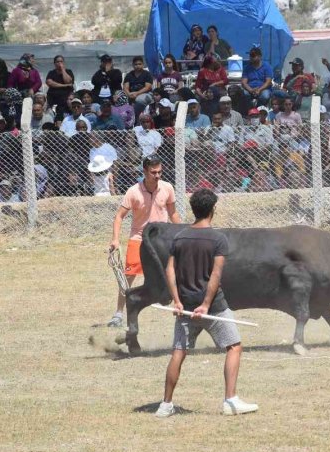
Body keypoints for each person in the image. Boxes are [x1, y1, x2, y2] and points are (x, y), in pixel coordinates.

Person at [156, 188, 258, 418]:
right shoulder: (218, 239)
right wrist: (205, 304)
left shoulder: (179, 237)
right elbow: (215, 275)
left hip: (186, 305)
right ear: (212, 210)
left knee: (178, 351)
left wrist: (178, 300)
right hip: (213, 306)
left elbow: (170, 269)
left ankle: (165, 404)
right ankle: (230, 401)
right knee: (234, 346)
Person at [108, 155, 182, 327]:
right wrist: (115, 240)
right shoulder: (133, 192)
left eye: (160, 172)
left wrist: (184, 233)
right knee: (128, 278)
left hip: (162, 240)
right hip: (139, 238)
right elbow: (119, 216)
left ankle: (181, 307)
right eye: (153, 172)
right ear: (144, 172)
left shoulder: (167, 188)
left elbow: (173, 214)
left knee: (177, 272)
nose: (157, 176)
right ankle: (119, 314)